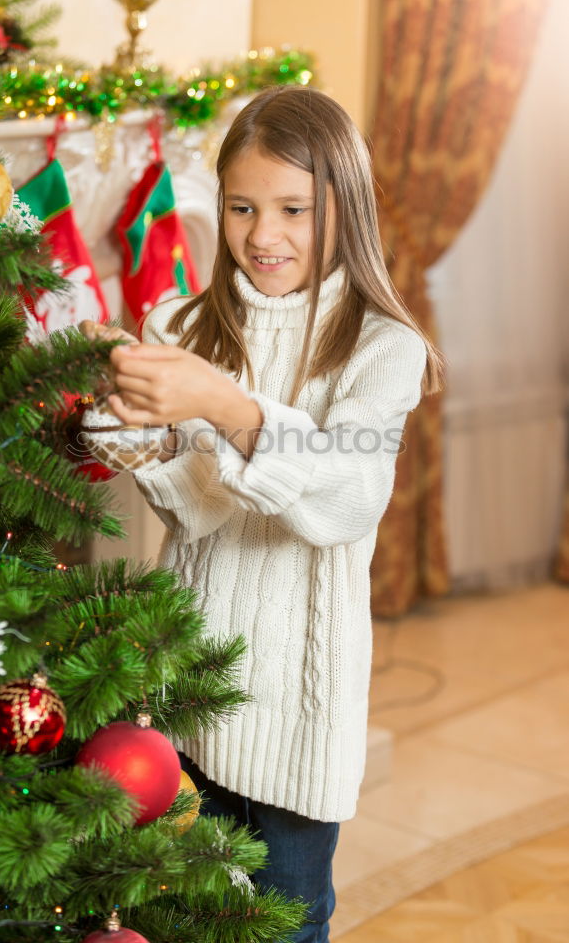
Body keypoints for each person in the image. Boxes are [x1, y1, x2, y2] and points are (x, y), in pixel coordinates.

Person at [104, 85, 445, 943]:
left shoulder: (381, 348)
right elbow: (199, 511)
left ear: (347, 208)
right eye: (242, 207)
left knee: (281, 925)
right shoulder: (181, 321)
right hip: (182, 696)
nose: (264, 235)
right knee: (168, 915)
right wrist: (126, 434)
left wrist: (226, 407)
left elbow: (348, 496)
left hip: (295, 720)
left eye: (295, 209)